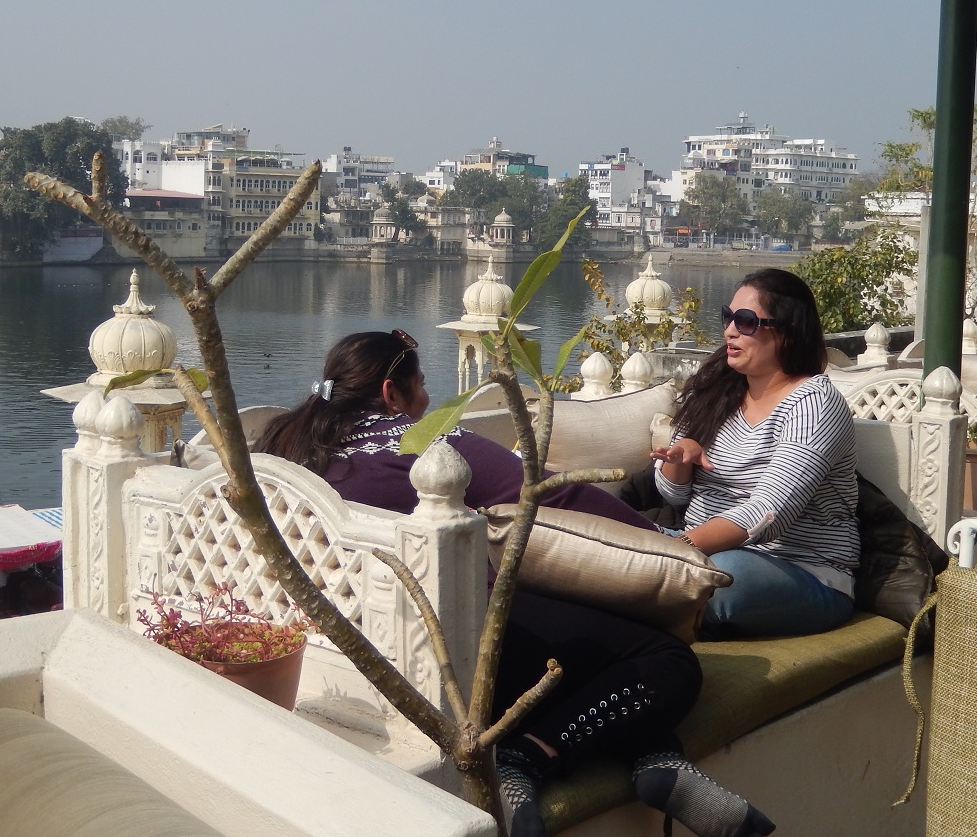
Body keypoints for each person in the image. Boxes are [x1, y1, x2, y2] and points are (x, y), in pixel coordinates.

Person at [258, 331, 774, 837]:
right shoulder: (421, 443)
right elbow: (551, 495)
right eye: (420, 387)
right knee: (666, 661)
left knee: (585, 643)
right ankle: (528, 757)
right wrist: (667, 548)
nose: (428, 400)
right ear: (392, 394)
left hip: (330, 642)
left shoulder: (283, 445)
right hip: (448, 645)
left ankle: (657, 762)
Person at [651, 268, 858, 640]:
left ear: (789, 330)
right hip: (697, 546)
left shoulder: (814, 403)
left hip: (801, 568)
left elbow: (768, 514)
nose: (730, 330)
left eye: (746, 321)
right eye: (727, 317)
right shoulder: (717, 390)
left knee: (714, 578)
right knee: (585, 528)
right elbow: (672, 495)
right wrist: (679, 464)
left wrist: (671, 549)